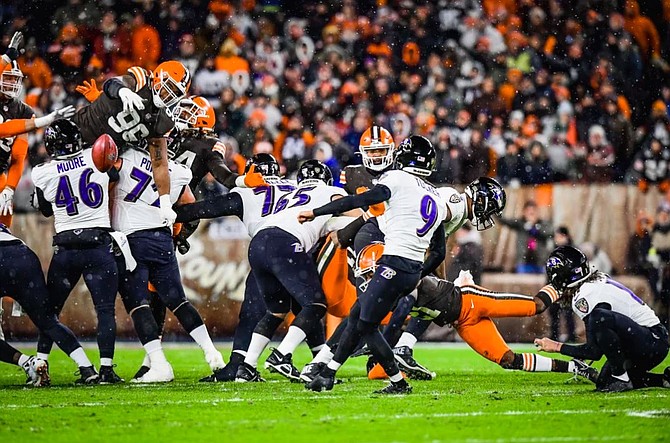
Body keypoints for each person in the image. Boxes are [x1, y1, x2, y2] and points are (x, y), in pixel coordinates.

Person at [299, 135, 448, 394]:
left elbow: (360, 201)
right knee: (358, 314)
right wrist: (419, 272)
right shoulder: (434, 195)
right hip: (411, 270)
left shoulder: (397, 179)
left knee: (366, 325)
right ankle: (328, 373)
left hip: (394, 263)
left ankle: (398, 382)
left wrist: (316, 212)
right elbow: (439, 251)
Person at [173, 154, 331, 382]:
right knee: (304, 304)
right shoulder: (293, 186)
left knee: (254, 310)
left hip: (267, 246)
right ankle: (318, 360)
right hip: (297, 245)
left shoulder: (246, 191)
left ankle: (239, 365)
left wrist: (169, 213)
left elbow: (203, 210)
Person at [110, 141, 224, 383]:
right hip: (161, 238)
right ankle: (212, 353)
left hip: (132, 237)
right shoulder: (181, 171)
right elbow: (189, 205)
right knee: (178, 301)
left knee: (139, 303)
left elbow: (106, 177)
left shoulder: (126, 156)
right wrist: (178, 234)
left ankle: (159, 364)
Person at [31, 120, 122, 383]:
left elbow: (46, 209)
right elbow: (113, 176)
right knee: (105, 310)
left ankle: (41, 362)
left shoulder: (42, 172)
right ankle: (106, 369)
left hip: (66, 247)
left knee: (50, 312)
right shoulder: (96, 156)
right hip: (98, 244)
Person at [73, 61, 192, 228]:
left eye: (175, 93)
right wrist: (122, 91)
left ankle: (105, 230)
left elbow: (159, 163)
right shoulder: (140, 80)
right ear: (158, 78)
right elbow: (111, 84)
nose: (168, 95)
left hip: (104, 155)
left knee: (105, 188)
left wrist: (165, 202)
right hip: (81, 132)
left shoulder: (163, 120)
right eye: (168, 87)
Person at [535, 245, 670, 392]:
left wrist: (556, 347)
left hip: (652, 340)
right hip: (647, 340)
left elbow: (594, 352)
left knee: (598, 317)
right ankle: (663, 380)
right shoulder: (592, 284)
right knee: (604, 383)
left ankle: (621, 377)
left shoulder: (584, 295)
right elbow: (597, 347)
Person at [0, 223, 100, 385]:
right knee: (48, 321)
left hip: (15, 255)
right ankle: (86, 366)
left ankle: (28, 362)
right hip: (21, 255)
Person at [499, 200, 553, 274]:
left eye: (533, 211)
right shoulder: (520, 224)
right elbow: (503, 220)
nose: (531, 213)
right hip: (523, 263)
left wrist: (535, 228)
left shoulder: (543, 224)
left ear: (537, 212)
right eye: (528, 211)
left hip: (540, 263)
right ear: (524, 212)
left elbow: (550, 233)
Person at [548, 226, 576, 342]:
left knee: (568, 313)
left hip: (568, 287)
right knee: (554, 313)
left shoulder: (571, 252)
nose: (557, 239)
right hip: (556, 286)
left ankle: (571, 335)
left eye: (560, 236)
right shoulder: (554, 252)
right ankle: (554, 335)